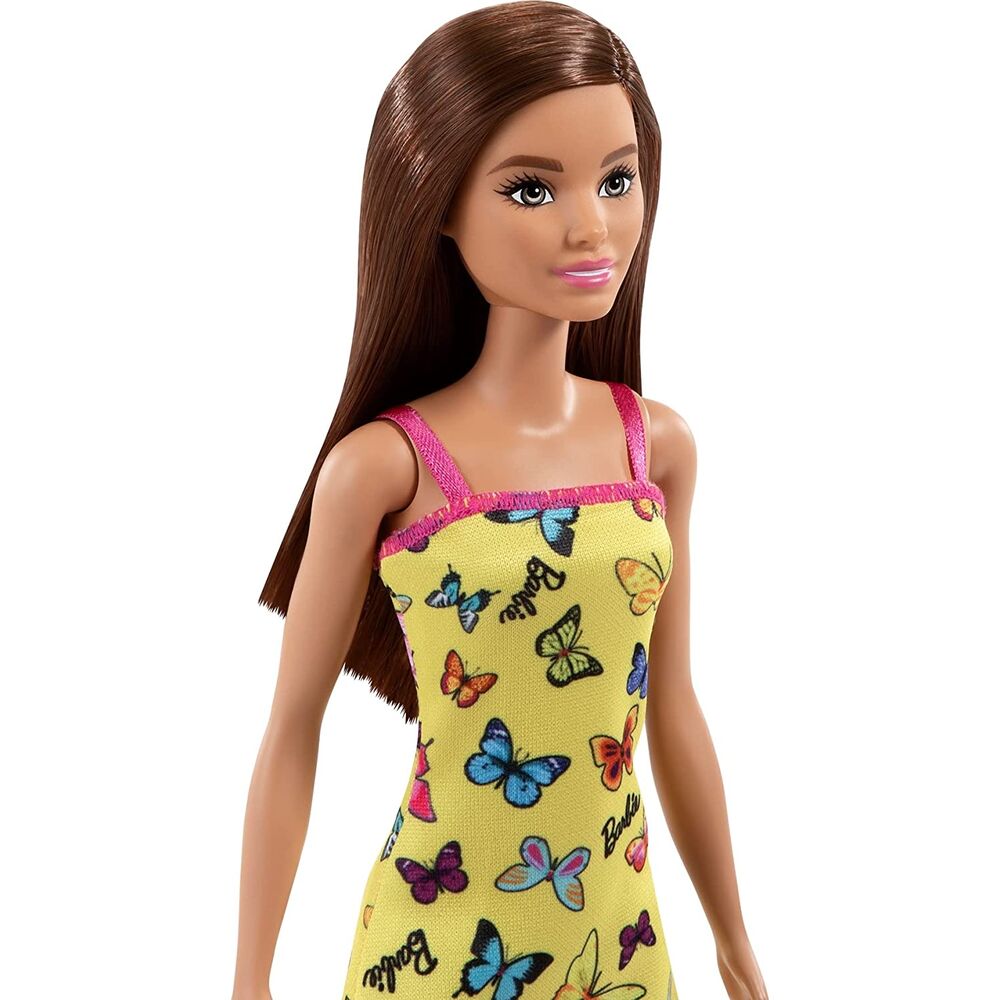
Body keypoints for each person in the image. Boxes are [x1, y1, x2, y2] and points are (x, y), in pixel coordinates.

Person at [232, 4, 767, 999]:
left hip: (618, 944)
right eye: (532, 188)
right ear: (436, 201)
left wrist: (734, 942)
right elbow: (292, 729)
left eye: (617, 179)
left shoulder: (658, 449)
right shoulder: (387, 467)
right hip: (439, 944)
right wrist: (249, 977)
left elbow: (673, 707)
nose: (591, 225)